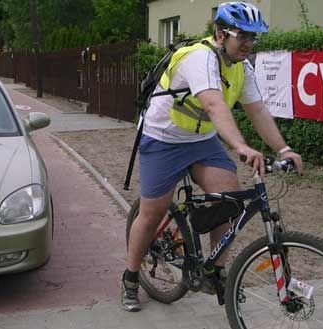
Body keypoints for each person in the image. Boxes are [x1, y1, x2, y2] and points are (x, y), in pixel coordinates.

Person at [121, 2, 304, 312]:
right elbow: (214, 105)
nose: (248, 44)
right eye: (241, 36)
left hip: (202, 139)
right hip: (163, 138)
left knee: (229, 197)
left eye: (253, 37)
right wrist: (241, 147)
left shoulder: (241, 67)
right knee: (152, 213)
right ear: (220, 35)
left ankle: (213, 271)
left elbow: (257, 109)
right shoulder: (199, 58)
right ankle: (131, 278)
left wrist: (283, 149)